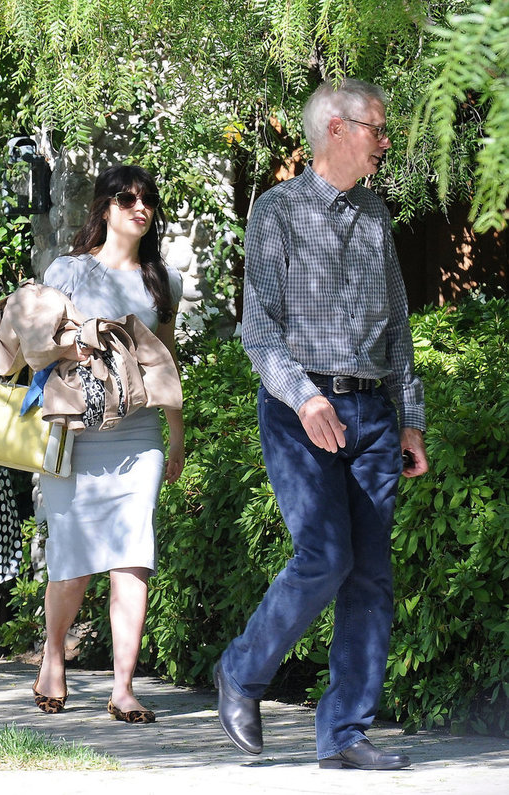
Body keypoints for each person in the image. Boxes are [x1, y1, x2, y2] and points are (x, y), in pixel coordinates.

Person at [214, 79, 429, 770]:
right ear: (336, 128)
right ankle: (242, 672)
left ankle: (344, 734)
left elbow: (398, 328)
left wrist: (411, 421)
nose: (384, 141)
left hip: (370, 414)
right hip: (298, 410)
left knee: (369, 574)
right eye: (377, 129)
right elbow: (259, 331)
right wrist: (304, 398)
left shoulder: (376, 218)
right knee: (326, 555)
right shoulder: (275, 213)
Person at [31, 164, 184, 723]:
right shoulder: (68, 270)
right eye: (127, 198)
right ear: (105, 207)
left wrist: (176, 437)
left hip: (138, 433)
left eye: (148, 200)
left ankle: (123, 688)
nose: (139, 208)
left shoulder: (159, 280)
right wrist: (80, 343)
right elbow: (36, 343)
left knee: (133, 557)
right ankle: (53, 656)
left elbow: (165, 363)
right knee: (72, 564)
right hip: (74, 430)